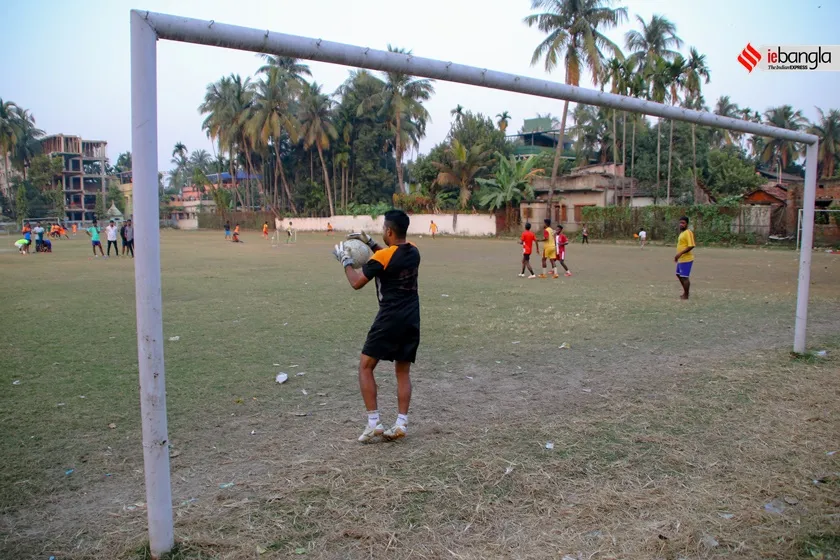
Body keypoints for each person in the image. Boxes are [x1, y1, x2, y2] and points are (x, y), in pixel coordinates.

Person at [332, 210, 420, 443]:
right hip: (412, 317)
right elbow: (390, 254)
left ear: (389, 231)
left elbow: (357, 282)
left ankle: (374, 423)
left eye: (383, 229)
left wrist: (346, 261)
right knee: (403, 371)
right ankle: (401, 422)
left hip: (389, 318)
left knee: (365, 367)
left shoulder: (381, 258)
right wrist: (369, 242)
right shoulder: (413, 251)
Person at [675, 216, 696, 300]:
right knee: (678, 274)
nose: (681, 224)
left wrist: (680, 253)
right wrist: (678, 256)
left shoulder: (688, 232)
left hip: (686, 259)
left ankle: (686, 295)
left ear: (687, 224)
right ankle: (685, 292)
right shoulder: (682, 233)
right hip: (681, 259)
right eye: (680, 223)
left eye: (683, 223)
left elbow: (691, 245)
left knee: (684, 277)